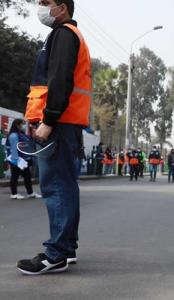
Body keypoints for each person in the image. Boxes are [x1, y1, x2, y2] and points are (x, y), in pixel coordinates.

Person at [18, 0, 91, 275]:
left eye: (46, 2)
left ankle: (56, 253)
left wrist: (48, 120)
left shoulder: (63, 35)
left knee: (56, 187)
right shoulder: (72, 35)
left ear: (62, 7)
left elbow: (60, 79)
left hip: (58, 124)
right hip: (67, 124)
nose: (41, 7)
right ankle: (66, 249)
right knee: (66, 186)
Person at [6, 119, 42, 200]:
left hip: (23, 160)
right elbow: (14, 148)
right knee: (15, 176)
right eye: (22, 124)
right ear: (17, 125)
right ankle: (14, 194)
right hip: (17, 160)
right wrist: (15, 160)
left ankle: (31, 193)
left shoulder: (21, 134)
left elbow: (28, 143)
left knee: (27, 176)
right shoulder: (14, 135)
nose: (23, 126)